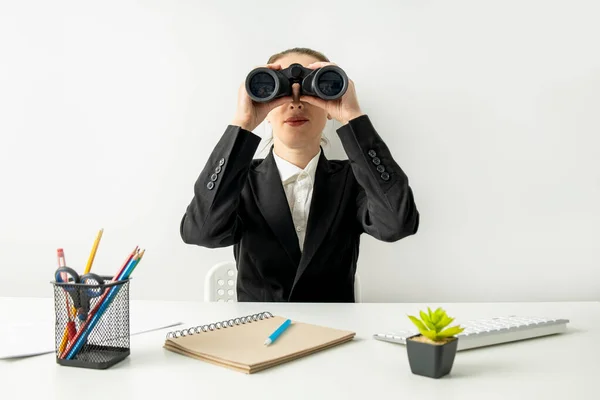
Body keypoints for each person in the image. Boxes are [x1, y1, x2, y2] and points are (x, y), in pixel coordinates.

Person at [180, 47, 419, 302]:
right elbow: (201, 232)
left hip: (334, 334)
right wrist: (243, 122)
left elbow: (397, 224)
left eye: (309, 90)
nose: (295, 102)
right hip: (259, 330)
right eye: (281, 92)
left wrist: (352, 116)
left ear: (329, 106)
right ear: (265, 109)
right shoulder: (241, 180)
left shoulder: (353, 179)